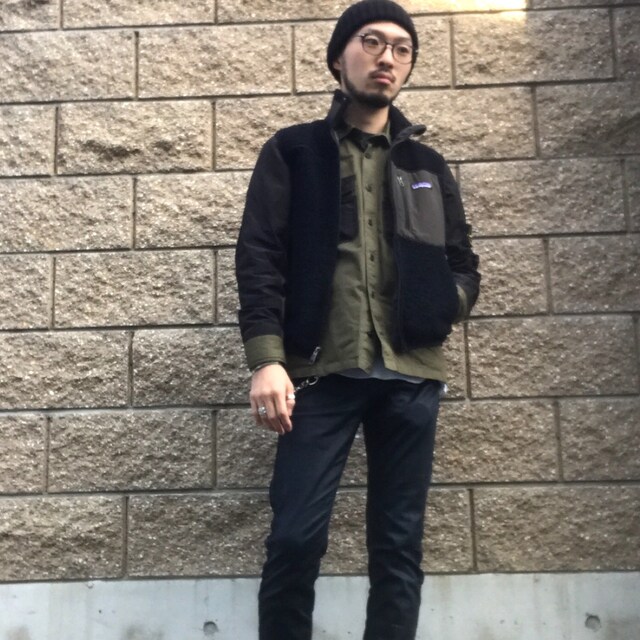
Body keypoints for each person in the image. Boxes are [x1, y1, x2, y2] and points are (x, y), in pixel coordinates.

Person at [235, 1, 480, 638]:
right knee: (294, 539)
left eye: (402, 48)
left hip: (411, 376)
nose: (387, 57)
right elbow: (259, 256)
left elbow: (462, 262)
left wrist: (444, 306)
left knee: (399, 547)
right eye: (371, 42)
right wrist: (267, 359)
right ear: (337, 58)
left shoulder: (426, 166)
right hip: (319, 375)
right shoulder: (294, 150)